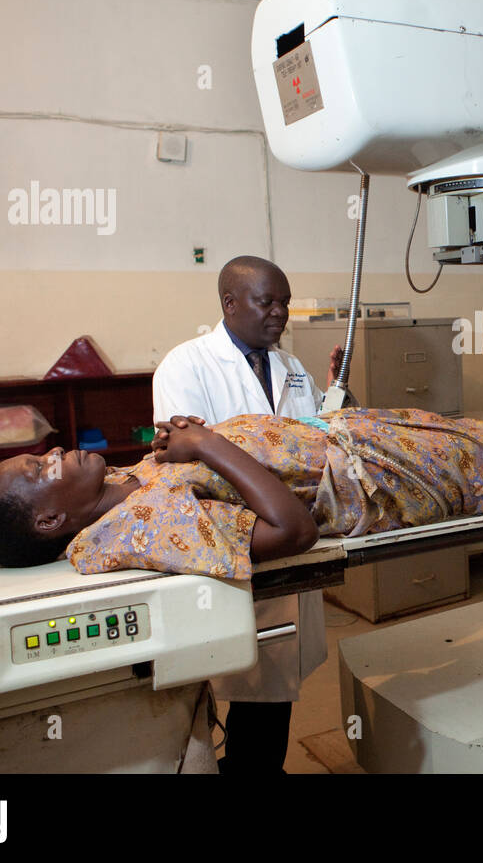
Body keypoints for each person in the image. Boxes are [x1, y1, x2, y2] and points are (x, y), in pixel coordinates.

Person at [0, 406, 483, 579]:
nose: (51, 453)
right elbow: (290, 532)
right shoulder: (134, 532)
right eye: (35, 473)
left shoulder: (129, 488)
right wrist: (205, 444)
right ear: (51, 521)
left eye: (36, 456)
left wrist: (182, 446)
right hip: (374, 483)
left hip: (356, 436)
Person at [149, 254, 340, 774]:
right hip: (238, 543)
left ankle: (258, 769)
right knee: (219, 692)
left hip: (292, 538)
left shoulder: (291, 367)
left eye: (284, 302)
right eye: (267, 302)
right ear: (230, 304)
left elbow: (315, 437)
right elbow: (190, 463)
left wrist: (336, 397)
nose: (279, 312)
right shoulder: (185, 365)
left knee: (274, 690)